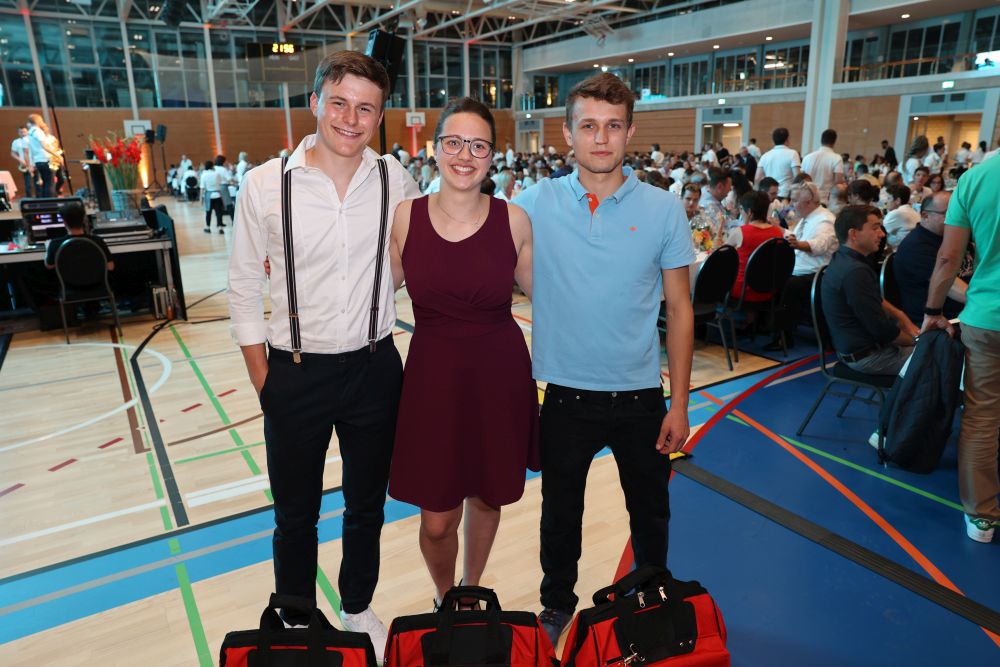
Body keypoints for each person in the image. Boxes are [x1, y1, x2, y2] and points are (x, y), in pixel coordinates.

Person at [227, 50, 422, 659]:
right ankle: (294, 618)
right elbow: (242, 286)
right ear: (315, 103)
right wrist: (264, 379)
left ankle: (356, 606)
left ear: (380, 117)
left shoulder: (395, 179)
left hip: (374, 367)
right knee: (295, 514)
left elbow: (410, 257)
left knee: (367, 506)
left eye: (366, 108)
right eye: (339, 103)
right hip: (294, 372)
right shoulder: (266, 184)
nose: (350, 118)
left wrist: (379, 293)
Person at [513, 72, 695, 648]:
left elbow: (680, 309)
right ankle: (556, 604)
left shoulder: (664, 208)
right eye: (588, 125)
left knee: (651, 512)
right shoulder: (532, 203)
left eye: (613, 126)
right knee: (559, 514)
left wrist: (680, 404)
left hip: (640, 396)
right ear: (567, 134)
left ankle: (653, 596)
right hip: (564, 395)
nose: (600, 138)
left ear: (630, 131)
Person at [387, 97, 538, 610]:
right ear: (435, 148)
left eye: (478, 145)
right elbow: (367, 289)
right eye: (453, 142)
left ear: (492, 155)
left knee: (489, 494)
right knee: (437, 520)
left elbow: (554, 299)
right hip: (433, 379)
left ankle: (469, 592)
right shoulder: (405, 218)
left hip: (499, 373)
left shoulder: (514, 220)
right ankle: (444, 594)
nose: (465, 155)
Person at [919, 156, 1000, 543]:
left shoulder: (976, 179)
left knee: (982, 416)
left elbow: (948, 257)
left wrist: (933, 311)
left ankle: (981, 516)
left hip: (987, 317)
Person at [822, 205, 918, 375]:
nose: (882, 234)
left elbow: (875, 300)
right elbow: (882, 330)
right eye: (875, 228)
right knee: (941, 357)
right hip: (869, 357)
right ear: (853, 234)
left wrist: (900, 315)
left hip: (858, 348)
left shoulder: (843, 259)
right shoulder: (855, 272)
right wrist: (916, 341)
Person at [767, 181, 837, 351]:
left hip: (817, 273)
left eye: (795, 200)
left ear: (808, 202)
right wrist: (779, 229)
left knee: (788, 283)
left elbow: (820, 245)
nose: (791, 204)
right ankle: (767, 327)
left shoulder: (825, 220)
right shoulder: (808, 218)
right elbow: (796, 237)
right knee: (770, 274)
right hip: (802, 268)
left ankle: (783, 337)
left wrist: (798, 244)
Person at [893, 191, 965, 325]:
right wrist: (990, 301)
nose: (958, 218)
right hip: (941, 321)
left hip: (965, 313)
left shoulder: (953, 237)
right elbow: (952, 287)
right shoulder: (915, 247)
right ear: (926, 216)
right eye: (949, 213)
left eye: (959, 212)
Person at [725, 190, 785, 303]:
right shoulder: (778, 233)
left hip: (742, 290)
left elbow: (721, 256)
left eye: (741, 209)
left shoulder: (740, 232)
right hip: (769, 290)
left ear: (749, 212)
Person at [44, 201, 114, 272]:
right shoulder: (98, 241)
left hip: (70, 279)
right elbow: (110, 267)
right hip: (97, 279)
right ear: (84, 219)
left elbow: (49, 266)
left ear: (64, 222)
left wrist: (48, 248)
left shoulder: (55, 244)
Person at [754, 127, 800, 200]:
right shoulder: (793, 153)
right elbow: (798, 177)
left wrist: (758, 195)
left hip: (769, 195)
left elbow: (757, 178)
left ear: (773, 140)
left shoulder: (765, 155)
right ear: (788, 139)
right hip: (785, 194)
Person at [801, 128, 845, 201]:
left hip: (807, 198)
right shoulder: (837, 158)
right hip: (824, 199)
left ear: (821, 140)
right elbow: (838, 182)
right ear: (834, 142)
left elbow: (800, 178)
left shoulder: (807, 157)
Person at [25, 114, 59, 198]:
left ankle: (45, 202)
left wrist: (31, 163)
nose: (42, 122)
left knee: (45, 184)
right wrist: (57, 155)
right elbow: (44, 146)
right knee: (50, 184)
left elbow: (30, 150)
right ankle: (50, 202)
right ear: (37, 121)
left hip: (38, 161)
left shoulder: (30, 133)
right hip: (45, 159)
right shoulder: (38, 131)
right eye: (41, 120)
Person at [882, 183, 920, 249]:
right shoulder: (913, 211)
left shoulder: (897, 213)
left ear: (898, 201)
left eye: (889, 198)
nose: (886, 202)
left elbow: (881, 231)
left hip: (902, 250)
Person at [200, 160, 226, 233]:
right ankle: (220, 228)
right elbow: (220, 183)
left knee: (208, 212)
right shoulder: (217, 174)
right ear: (212, 166)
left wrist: (201, 199)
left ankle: (208, 227)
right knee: (219, 212)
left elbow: (202, 188)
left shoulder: (204, 175)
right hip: (217, 195)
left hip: (209, 196)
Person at [10, 126, 33, 198]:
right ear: (18, 133)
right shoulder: (16, 142)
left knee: (39, 183)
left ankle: (41, 199)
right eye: (21, 132)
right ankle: (29, 199)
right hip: (25, 164)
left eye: (24, 132)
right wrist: (20, 160)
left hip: (34, 163)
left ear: (27, 132)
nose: (23, 133)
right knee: (28, 184)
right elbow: (13, 153)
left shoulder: (32, 139)